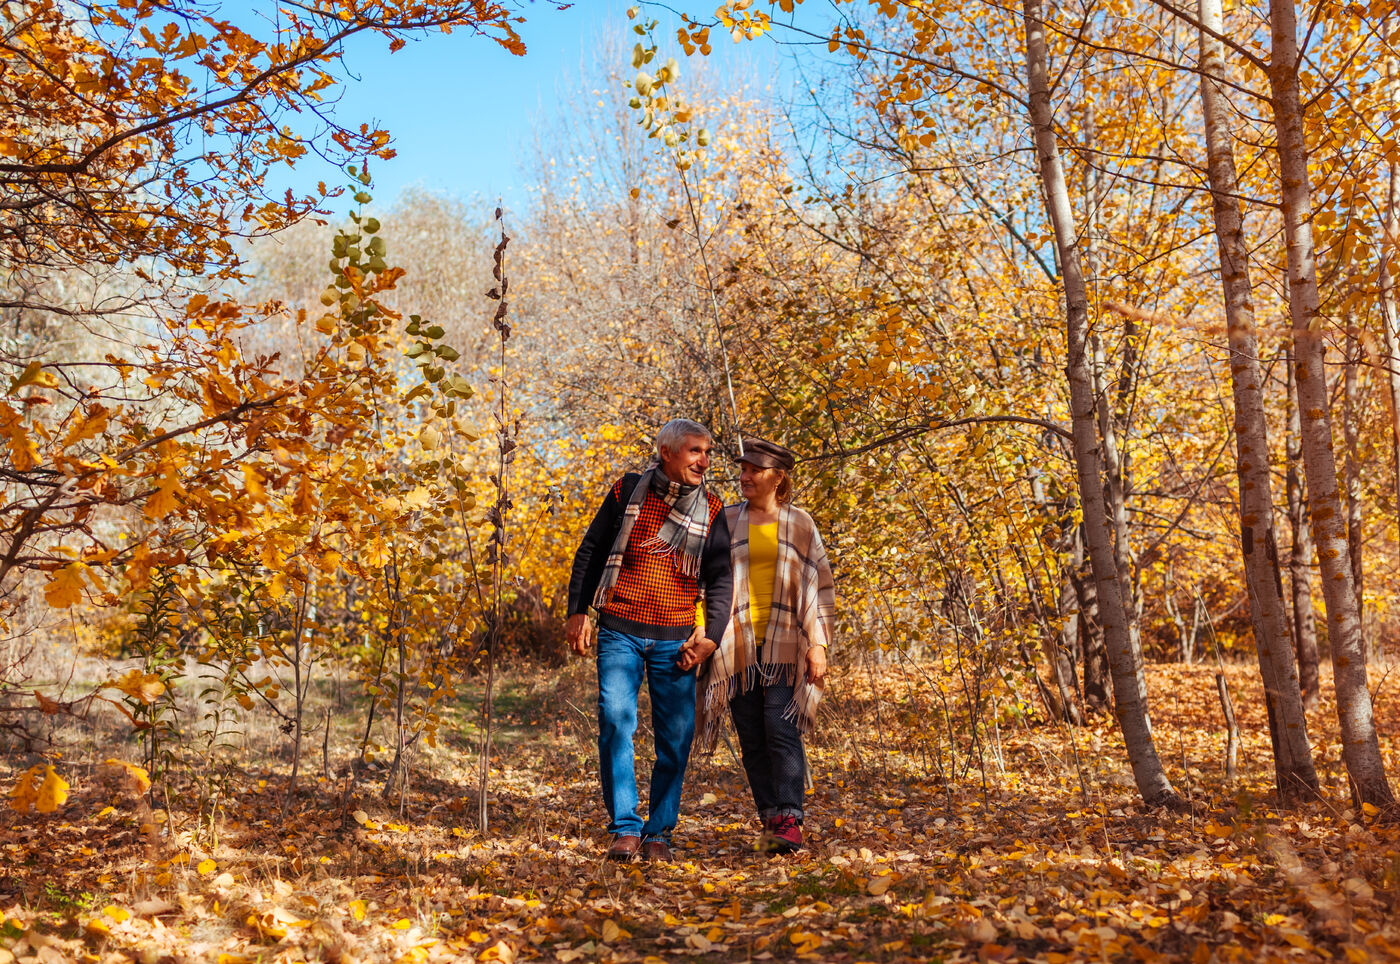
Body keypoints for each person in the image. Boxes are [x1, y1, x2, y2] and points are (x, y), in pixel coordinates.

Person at [566, 418, 733, 862]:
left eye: (708, 452)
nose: (704, 460)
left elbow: (720, 580)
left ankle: (658, 832)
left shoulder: (713, 510)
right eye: (695, 450)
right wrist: (577, 611)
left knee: (675, 740)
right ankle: (625, 827)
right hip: (619, 629)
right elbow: (592, 550)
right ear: (667, 452)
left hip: (676, 641)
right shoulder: (627, 491)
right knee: (616, 723)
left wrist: (711, 638)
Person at [695, 438, 834, 855]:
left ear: (778, 477)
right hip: (735, 647)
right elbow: (704, 580)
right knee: (751, 735)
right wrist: (701, 631)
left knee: (779, 726)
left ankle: (791, 815)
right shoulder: (727, 519)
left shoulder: (800, 524)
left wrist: (818, 644)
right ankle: (771, 818)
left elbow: (819, 586)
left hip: (784, 645)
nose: (745, 476)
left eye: (754, 469)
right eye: (743, 468)